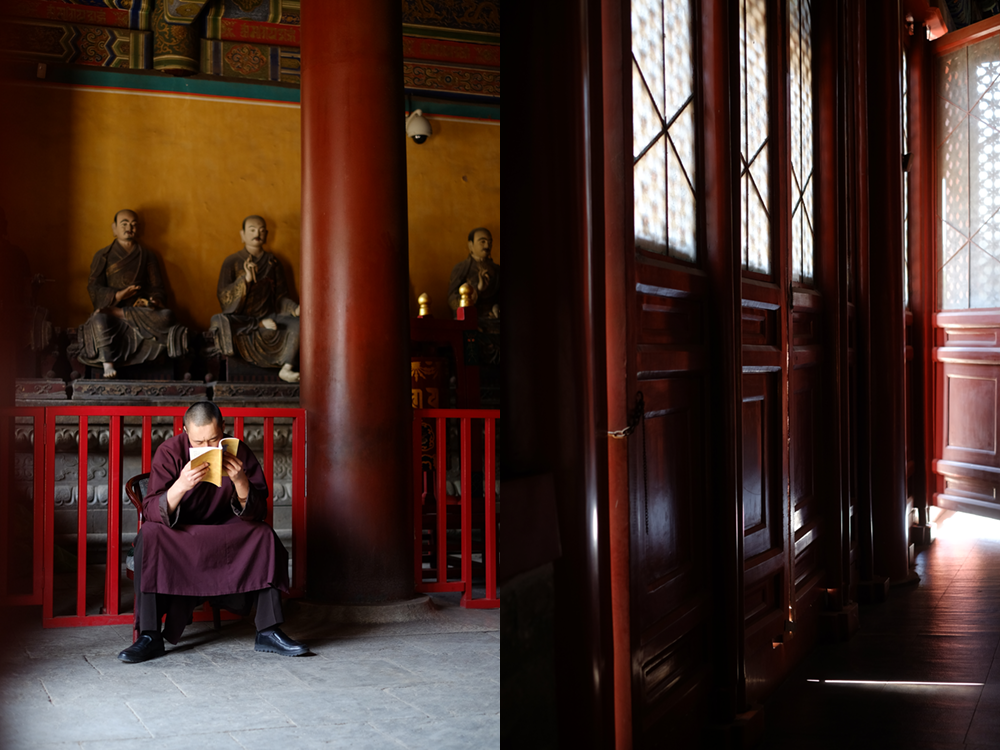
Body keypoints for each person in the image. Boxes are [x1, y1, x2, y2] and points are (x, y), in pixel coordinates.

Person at [117, 401, 308, 663]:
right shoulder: (170, 451)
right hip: (182, 534)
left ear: (224, 430)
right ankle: (149, 635)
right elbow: (150, 509)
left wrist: (240, 480)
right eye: (198, 443)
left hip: (225, 532)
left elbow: (257, 511)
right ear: (185, 431)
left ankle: (268, 630)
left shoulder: (238, 450)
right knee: (149, 535)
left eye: (214, 440)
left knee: (263, 536)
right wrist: (181, 485)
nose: (206, 448)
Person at [70, 209, 187, 378]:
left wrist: (153, 301)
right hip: (111, 312)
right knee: (99, 319)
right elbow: (94, 288)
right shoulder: (103, 255)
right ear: (114, 228)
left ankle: (117, 313)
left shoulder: (147, 255)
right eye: (124, 224)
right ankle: (108, 363)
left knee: (168, 316)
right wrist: (119, 295)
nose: (129, 228)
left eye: (133, 225)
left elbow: (157, 287)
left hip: (140, 312)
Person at [209, 215, 300, 383]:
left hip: (271, 315)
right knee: (220, 321)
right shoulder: (232, 261)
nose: (256, 233)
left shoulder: (273, 262)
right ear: (242, 235)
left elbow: (281, 297)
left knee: (299, 323)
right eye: (251, 230)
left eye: (261, 230)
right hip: (242, 319)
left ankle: (287, 368)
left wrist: (294, 309)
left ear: (266, 234)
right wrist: (246, 280)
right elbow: (224, 298)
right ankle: (257, 325)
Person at [447, 227, 500, 319]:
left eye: (489, 242)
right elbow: (452, 300)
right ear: (471, 245)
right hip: (471, 318)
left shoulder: (497, 269)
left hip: (493, 318)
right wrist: (477, 289)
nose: (487, 246)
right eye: (482, 241)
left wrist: (497, 307)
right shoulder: (461, 268)